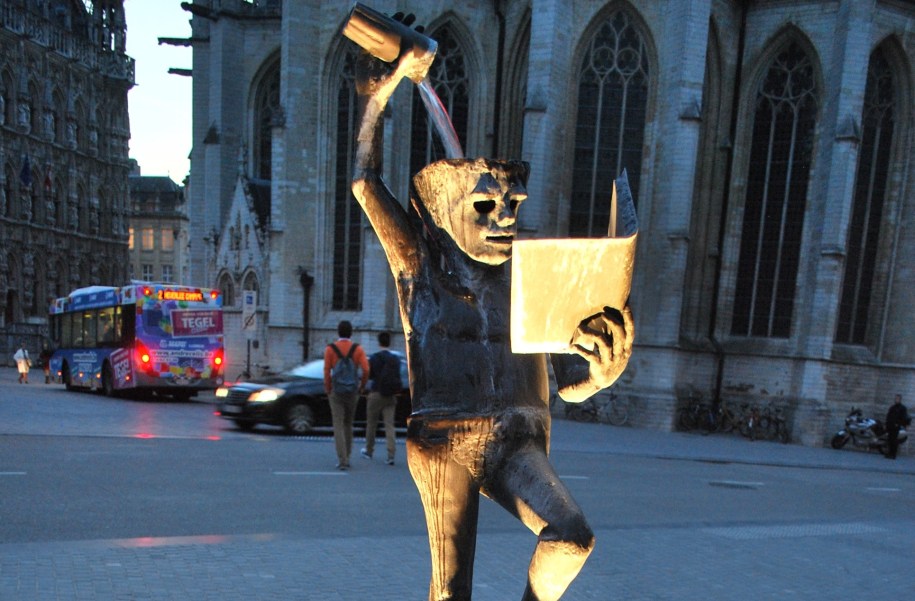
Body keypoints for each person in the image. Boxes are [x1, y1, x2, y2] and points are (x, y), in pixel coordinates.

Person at [350, 32, 634, 601]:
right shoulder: (420, 265)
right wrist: (379, 95)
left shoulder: (532, 275)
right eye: (485, 205)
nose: (504, 217)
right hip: (444, 437)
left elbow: (569, 381)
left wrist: (601, 374)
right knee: (450, 590)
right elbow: (364, 182)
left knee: (570, 538)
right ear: (448, 207)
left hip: (517, 437)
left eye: (512, 205)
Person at [323, 320, 369, 470]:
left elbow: (326, 371)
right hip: (352, 391)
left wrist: (328, 388)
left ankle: (342, 460)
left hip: (336, 392)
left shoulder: (330, 349)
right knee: (349, 424)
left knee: (338, 425)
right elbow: (366, 369)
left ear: (338, 332)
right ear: (351, 333)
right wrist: (361, 386)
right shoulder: (357, 349)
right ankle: (348, 455)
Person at [362, 331, 402, 466]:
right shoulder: (395, 359)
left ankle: (369, 450)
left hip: (376, 393)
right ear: (389, 342)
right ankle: (391, 454)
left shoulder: (374, 358)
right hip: (390, 395)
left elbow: (370, 375)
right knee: (389, 425)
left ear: (379, 342)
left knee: (371, 424)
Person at [884, 394, 911, 459]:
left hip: (896, 426)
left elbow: (904, 417)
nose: (896, 400)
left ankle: (893, 454)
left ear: (900, 400)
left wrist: (905, 425)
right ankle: (889, 453)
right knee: (889, 440)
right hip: (890, 426)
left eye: (897, 399)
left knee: (894, 441)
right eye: (895, 398)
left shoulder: (902, 408)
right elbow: (888, 416)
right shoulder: (892, 407)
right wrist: (886, 424)